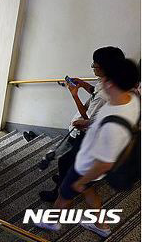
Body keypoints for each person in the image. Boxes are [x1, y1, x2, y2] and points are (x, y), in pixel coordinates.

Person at [35, 58, 140, 237]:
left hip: (87, 166)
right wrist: (89, 123)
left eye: (106, 79)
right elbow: (106, 121)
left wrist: (81, 180)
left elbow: (106, 162)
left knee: (65, 192)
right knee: (88, 190)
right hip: (91, 162)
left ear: (111, 83)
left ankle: (52, 221)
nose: (102, 82)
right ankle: (102, 225)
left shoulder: (114, 125)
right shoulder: (130, 99)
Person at [39, 46, 125, 202]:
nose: (92, 67)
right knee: (67, 161)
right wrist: (84, 85)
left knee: (65, 160)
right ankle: (65, 179)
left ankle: (59, 193)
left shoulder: (105, 95)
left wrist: (75, 96)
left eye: (95, 65)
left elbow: (88, 118)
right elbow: (95, 92)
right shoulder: (112, 81)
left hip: (87, 136)